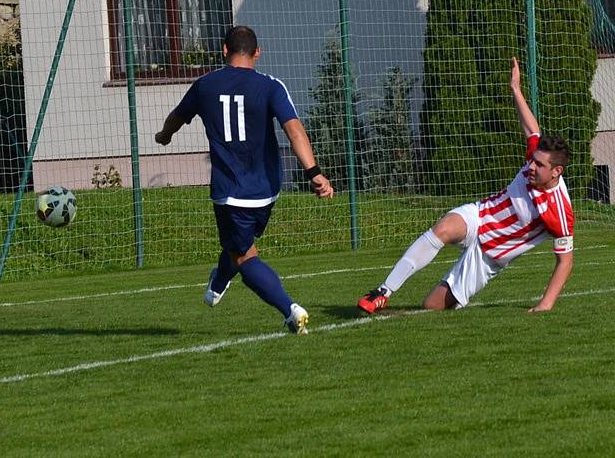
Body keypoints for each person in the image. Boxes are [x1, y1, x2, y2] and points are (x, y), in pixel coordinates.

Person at [358, 56, 574, 314]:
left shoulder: (559, 210)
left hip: (488, 257)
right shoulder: (535, 158)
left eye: (539, 165)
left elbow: (565, 260)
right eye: (533, 160)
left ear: (556, 172)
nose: (531, 166)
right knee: (444, 227)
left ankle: (452, 294)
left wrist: (546, 304)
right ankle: (383, 291)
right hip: (480, 216)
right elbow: (531, 129)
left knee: (431, 307)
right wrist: (515, 89)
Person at [156, 25, 334, 334]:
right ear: (257, 53)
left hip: (230, 191)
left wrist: (164, 136)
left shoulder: (205, 85)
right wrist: (314, 172)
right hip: (266, 190)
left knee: (244, 255)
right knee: (239, 245)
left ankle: (290, 310)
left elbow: (177, 116)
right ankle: (219, 282)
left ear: (224, 50)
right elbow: (294, 129)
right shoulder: (271, 86)